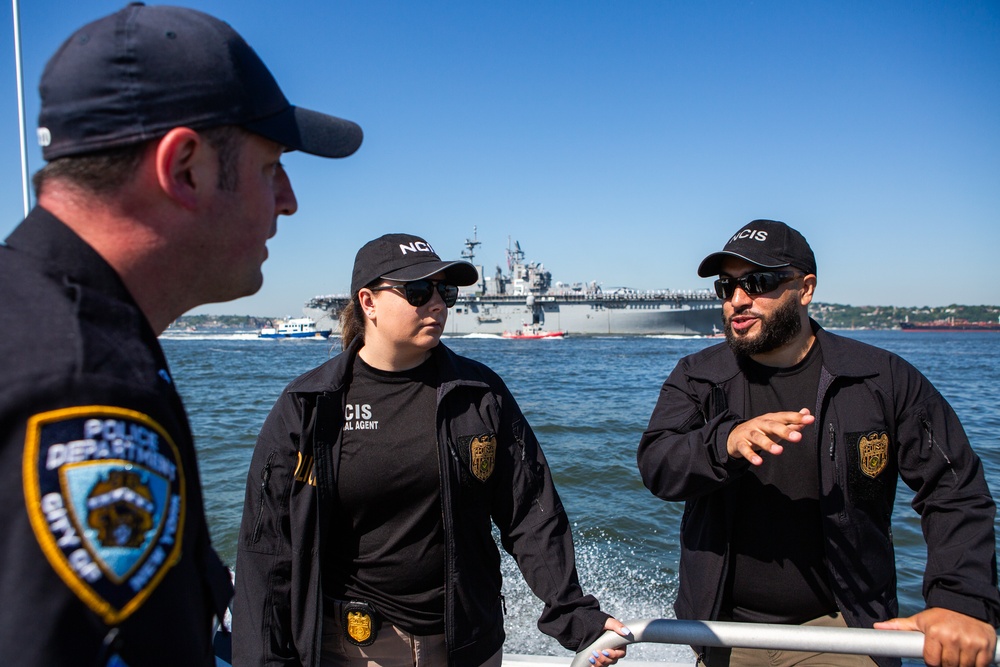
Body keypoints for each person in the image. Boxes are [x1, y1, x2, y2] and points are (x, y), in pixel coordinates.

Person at [0, 5, 362, 666]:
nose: (288, 199)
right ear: (185, 168)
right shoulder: (83, 386)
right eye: (270, 166)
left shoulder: (42, 321)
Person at [233, 233, 629, 667]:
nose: (437, 304)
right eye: (418, 292)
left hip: (468, 641)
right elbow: (267, 549)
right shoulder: (309, 406)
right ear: (368, 302)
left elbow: (530, 513)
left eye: (446, 291)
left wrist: (574, 613)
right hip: (356, 648)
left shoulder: (480, 394)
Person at [636, 220, 999, 667]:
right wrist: (724, 442)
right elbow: (657, 465)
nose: (738, 299)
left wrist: (962, 600)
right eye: (726, 286)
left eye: (758, 281)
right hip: (724, 632)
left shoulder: (881, 378)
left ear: (806, 289)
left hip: (843, 629)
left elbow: (954, 488)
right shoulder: (697, 375)